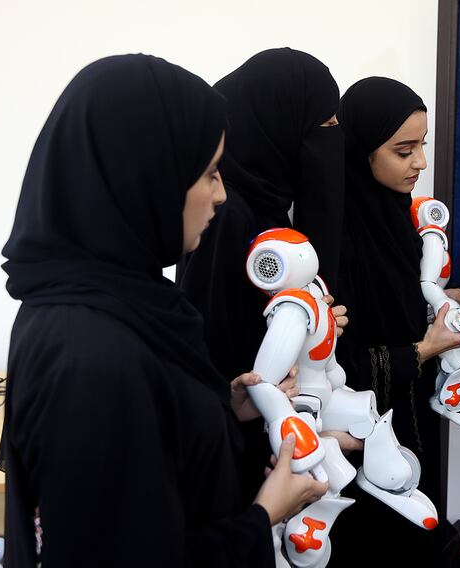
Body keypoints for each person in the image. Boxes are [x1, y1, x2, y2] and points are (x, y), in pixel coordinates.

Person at [1, 54, 327, 567]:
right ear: (146, 177)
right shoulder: (88, 357)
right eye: (210, 172)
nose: (221, 194)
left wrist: (219, 404)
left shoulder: (119, 301)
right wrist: (263, 515)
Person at [176, 48, 349, 501]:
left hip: (260, 423)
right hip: (235, 438)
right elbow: (212, 340)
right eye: (323, 124)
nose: (333, 138)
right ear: (277, 123)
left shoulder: (265, 206)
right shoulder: (228, 213)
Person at [329, 77, 460, 567]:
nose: (421, 163)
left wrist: (436, 303)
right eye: (403, 149)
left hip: (414, 422)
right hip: (365, 443)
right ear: (361, 151)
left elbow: (396, 304)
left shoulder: (394, 218)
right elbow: (337, 368)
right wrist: (425, 350)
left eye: (422, 145)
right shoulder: (335, 240)